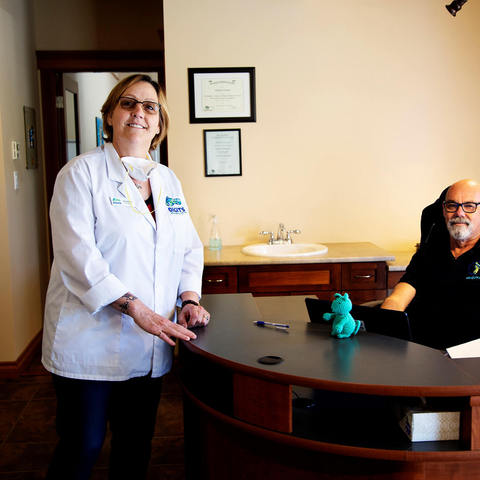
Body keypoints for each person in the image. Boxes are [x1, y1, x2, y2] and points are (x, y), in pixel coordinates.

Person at [42, 74, 210, 480]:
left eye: (150, 107)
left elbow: (188, 246)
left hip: (145, 343)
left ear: (159, 123)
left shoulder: (167, 180)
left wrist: (189, 298)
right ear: (110, 116)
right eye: (128, 103)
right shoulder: (80, 174)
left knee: (135, 446)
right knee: (82, 446)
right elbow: (77, 256)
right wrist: (135, 308)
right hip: (88, 341)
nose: (139, 113)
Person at [382, 179, 480, 350]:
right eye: (452, 205)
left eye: (469, 206)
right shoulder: (430, 250)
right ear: (443, 211)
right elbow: (398, 298)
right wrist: (383, 322)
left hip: (467, 356)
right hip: (418, 350)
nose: (459, 213)